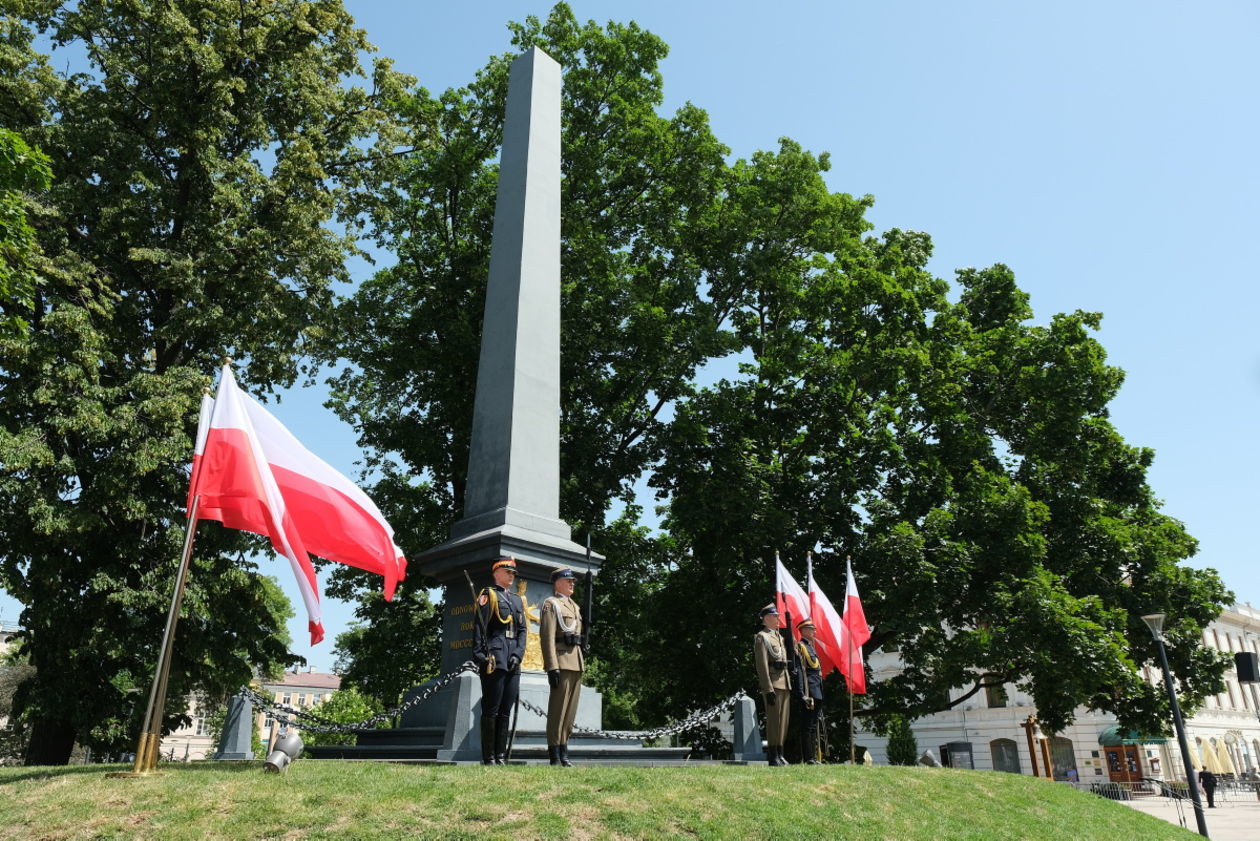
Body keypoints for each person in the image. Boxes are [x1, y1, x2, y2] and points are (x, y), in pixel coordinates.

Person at [472, 557, 526, 765]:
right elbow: (479, 626)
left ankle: (501, 755)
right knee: (491, 709)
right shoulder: (488, 595)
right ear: (496, 573)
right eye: (508, 572)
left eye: (513, 573)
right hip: (495, 657)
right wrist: (479, 655)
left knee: (506, 709)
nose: (512, 576)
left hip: (512, 658)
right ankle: (489, 756)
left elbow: (522, 630)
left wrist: (518, 654)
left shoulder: (517, 600)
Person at [541, 567, 584, 767]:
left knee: (569, 713)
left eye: (573, 581)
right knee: (558, 711)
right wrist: (552, 666)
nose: (572, 583)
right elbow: (547, 637)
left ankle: (564, 751)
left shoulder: (574, 606)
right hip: (561, 661)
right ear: (557, 582)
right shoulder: (552, 605)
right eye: (568, 581)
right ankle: (555, 754)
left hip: (576, 661)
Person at [754, 604, 791, 766]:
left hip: (785, 682)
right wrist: (767, 688)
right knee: (774, 721)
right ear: (766, 618)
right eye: (775, 616)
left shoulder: (779, 637)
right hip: (774, 683)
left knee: (783, 721)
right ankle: (773, 754)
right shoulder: (762, 637)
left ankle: (780, 753)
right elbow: (762, 665)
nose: (778, 619)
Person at [794, 618, 824, 764]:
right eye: (811, 629)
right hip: (809, 691)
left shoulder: (811, 647)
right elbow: (800, 671)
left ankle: (812, 757)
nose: (814, 631)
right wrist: (801, 694)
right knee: (807, 725)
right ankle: (808, 757)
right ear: (804, 631)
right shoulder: (801, 647)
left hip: (817, 689)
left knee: (813, 725)